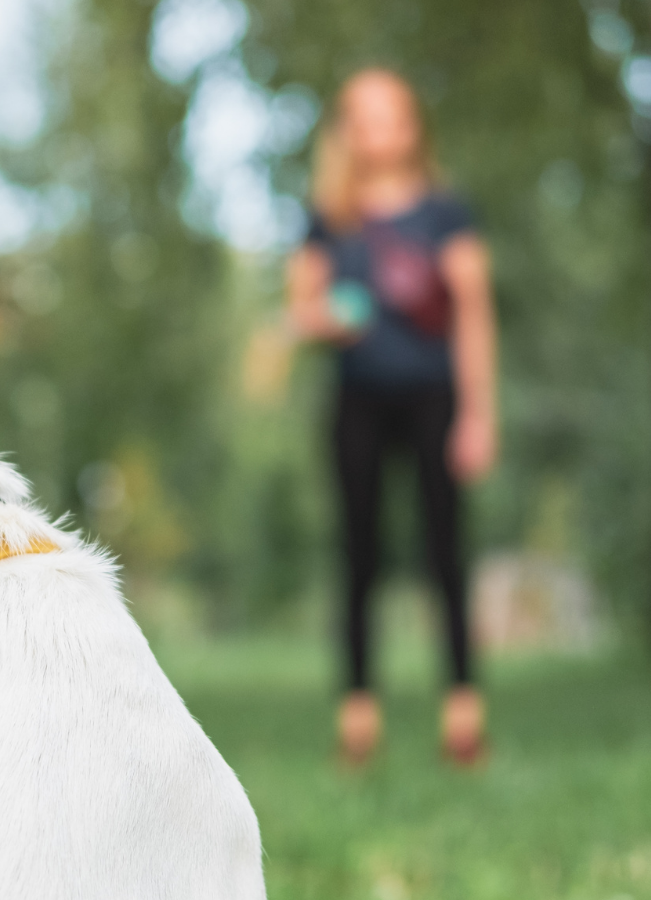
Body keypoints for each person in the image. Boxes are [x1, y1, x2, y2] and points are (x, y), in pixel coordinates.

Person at [285, 68, 498, 768]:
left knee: (446, 555)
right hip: (360, 402)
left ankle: (464, 712)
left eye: (395, 117)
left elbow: (473, 315)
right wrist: (326, 321)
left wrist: (478, 415)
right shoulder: (329, 218)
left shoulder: (445, 213)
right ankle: (358, 717)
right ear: (348, 132)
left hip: (434, 399)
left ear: (413, 127)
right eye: (368, 119)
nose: (384, 132)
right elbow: (301, 309)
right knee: (360, 558)